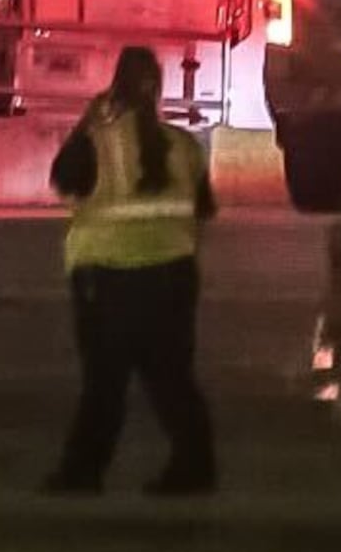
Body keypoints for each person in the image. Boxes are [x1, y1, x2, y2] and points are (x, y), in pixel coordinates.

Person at [46, 46, 217, 496]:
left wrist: (91, 118)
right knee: (172, 380)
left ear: (113, 87)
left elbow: (62, 178)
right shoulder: (184, 146)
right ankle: (195, 468)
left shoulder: (96, 141)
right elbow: (205, 208)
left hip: (108, 279)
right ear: (158, 90)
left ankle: (82, 474)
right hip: (174, 278)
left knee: (104, 385)